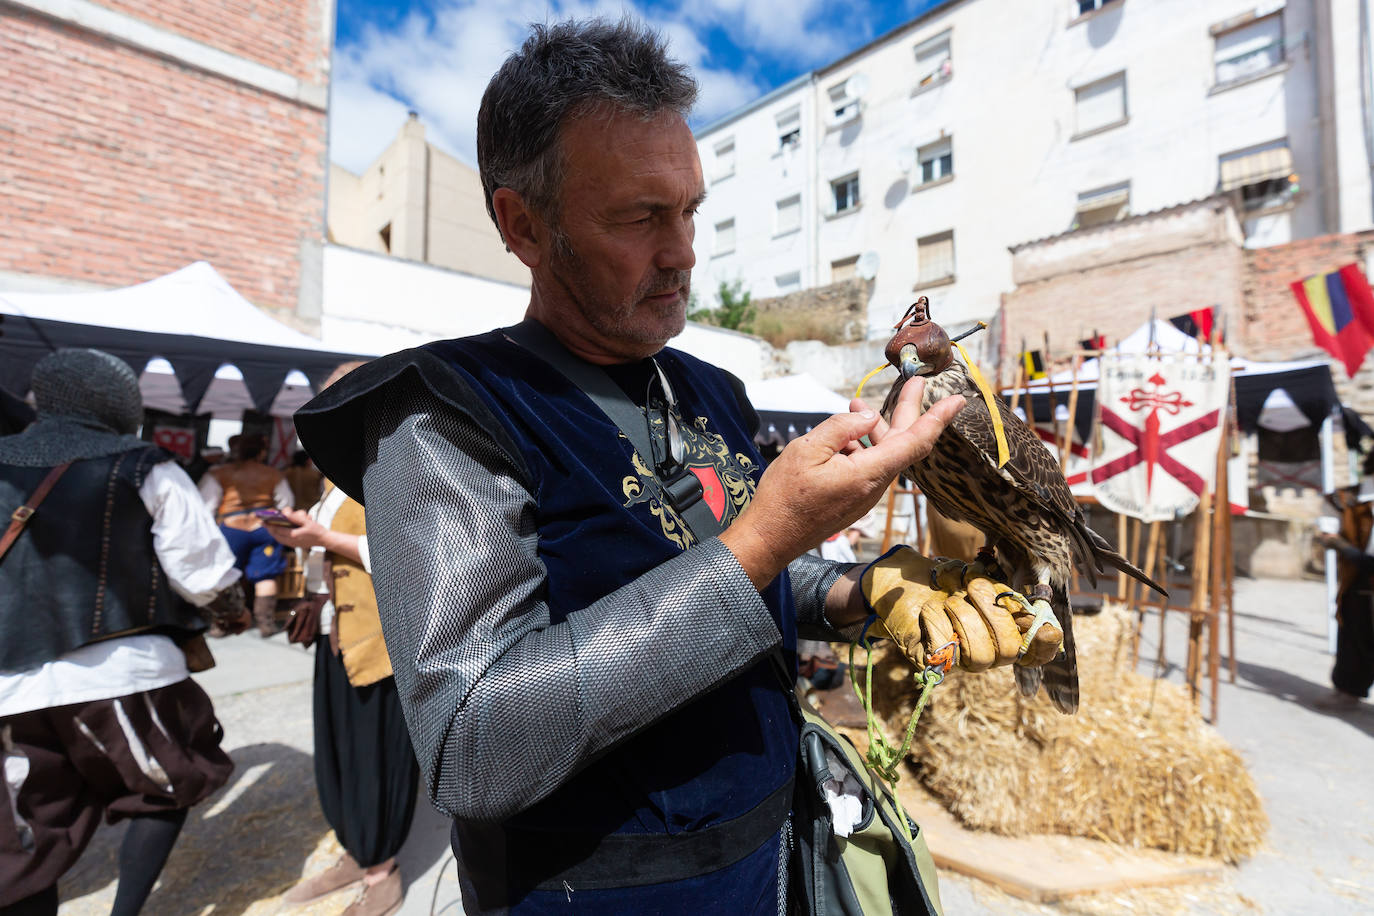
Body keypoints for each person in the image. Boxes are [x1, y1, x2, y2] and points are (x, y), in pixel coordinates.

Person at [294, 19, 977, 913]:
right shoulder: (447, 413)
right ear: (522, 224)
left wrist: (875, 593)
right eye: (640, 217)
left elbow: (761, 575)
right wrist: (762, 538)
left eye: (688, 209)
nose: (684, 251)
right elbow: (471, 743)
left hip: (770, 867)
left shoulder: (714, 390)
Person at [0, 349, 246, 916]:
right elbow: (203, 573)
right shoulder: (140, 462)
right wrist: (230, 613)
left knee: (28, 839)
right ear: (109, 401)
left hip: (11, 689)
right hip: (121, 674)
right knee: (165, 788)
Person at [267, 363, 419, 916]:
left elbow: (407, 556)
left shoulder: (398, 463)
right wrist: (304, 543)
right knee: (338, 751)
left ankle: (382, 870)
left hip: (378, 641)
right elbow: (328, 549)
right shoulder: (336, 472)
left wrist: (323, 535)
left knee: (372, 754)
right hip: (338, 632)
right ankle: (357, 851)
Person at [198, 432, 293, 635]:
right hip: (264, 527)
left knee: (224, 574)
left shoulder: (218, 473)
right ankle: (265, 623)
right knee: (265, 576)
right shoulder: (273, 474)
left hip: (231, 528)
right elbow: (286, 505)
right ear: (261, 451)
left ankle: (221, 624)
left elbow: (206, 506)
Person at [1315, 451, 1374, 710]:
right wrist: (1352, 554)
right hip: (1359, 579)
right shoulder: (1346, 498)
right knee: (1353, 632)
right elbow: (1327, 534)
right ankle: (1348, 690)